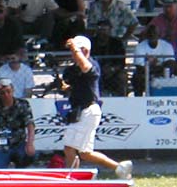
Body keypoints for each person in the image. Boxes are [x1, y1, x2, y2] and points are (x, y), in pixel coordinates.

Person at [61, 35, 132, 178]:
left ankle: (69, 178)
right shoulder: (72, 69)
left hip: (88, 110)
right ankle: (119, 168)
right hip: (80, 111)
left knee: (69, 148)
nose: (75, 53)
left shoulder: (93, 65)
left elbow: (85, 67)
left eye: (80, 50)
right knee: (85, 153)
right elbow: (73, 82)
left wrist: (75, 48)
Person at [132, 24, 177, 96]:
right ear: (147, 36)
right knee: (136, 78)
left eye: (154, 34)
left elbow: (171, 63)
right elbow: (139, 67)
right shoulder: (140, 47)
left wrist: (153, 67)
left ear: (159, 35)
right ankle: (139, 101)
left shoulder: (166, 46)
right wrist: (158, 67)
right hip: (146, 74)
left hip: (162, 74)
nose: (152, 36)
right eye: (150, 34)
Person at [91, 19, 127, 97]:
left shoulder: (117, 43)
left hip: (113, 71)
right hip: (94, 71)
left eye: (105, 30)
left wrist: (112, 69)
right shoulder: (91, 42)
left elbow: (121, 62)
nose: (102, 32)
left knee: (122, 77)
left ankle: (121, 101)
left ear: (110, 30)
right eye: (100, 29)